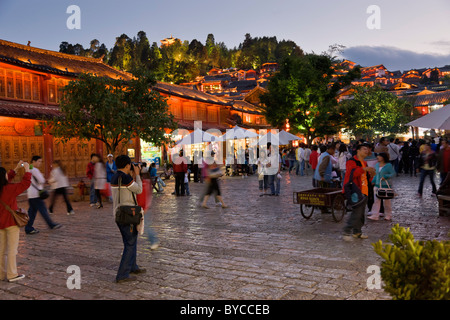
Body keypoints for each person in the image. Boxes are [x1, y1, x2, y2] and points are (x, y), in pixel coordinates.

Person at [110, 155, 145, 283]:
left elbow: (130, 189)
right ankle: (122, 274)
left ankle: (132, 266)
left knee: (131, 241)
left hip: (119, 213)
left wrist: (133, 176)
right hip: (128, 215)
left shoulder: (115, 176)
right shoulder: (125, 178)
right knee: (129, 244)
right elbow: (139, 189)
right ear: (127, 165)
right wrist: (138, 175)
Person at [0, 161, 31, 282]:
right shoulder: (9, 189)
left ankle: (1, 274)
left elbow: (7, 179)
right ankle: (12, 274)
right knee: (12, 250)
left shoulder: (5, 187)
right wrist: (27, 171)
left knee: (1, 250)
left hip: (0, 224)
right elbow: (25, 184)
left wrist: (16, 169)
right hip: (11, 223)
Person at [342, 144, 376, 241]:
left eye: (368, 149)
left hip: (364, 190)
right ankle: (347, 230)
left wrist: (372, 174)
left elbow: (367, 177)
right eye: (364, 149)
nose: (367, 151)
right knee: (356, 212)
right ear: (358, 150)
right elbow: (351, 174)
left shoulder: (364, 162)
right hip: (355, 191)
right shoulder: (351, 162)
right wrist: (364, 169)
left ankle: (357, 232)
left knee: (361, 213)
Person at [25, 156, 62, 235]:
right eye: (39, 161)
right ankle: (51, 224)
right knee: (43, 210)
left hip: (31, 194)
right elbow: (41, 180)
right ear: (33, 161)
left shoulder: (28, 169)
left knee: (32, 212)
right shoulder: (35, 170)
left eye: (41, 161)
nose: (40, 163)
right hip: (36, 194)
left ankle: (28, 228)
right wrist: (41, 176)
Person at [368, 153, 395, 221]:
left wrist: (386, 176)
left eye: (379, 156)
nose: (378, 157)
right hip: (377, 184)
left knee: (387, 201)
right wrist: (373, 181)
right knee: (376, 200)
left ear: (383, 157)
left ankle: (388, 215)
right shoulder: (377, 165)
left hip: (385, 185)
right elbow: (376, 174)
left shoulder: (388, 165)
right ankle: (375, 215)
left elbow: (393, 173)